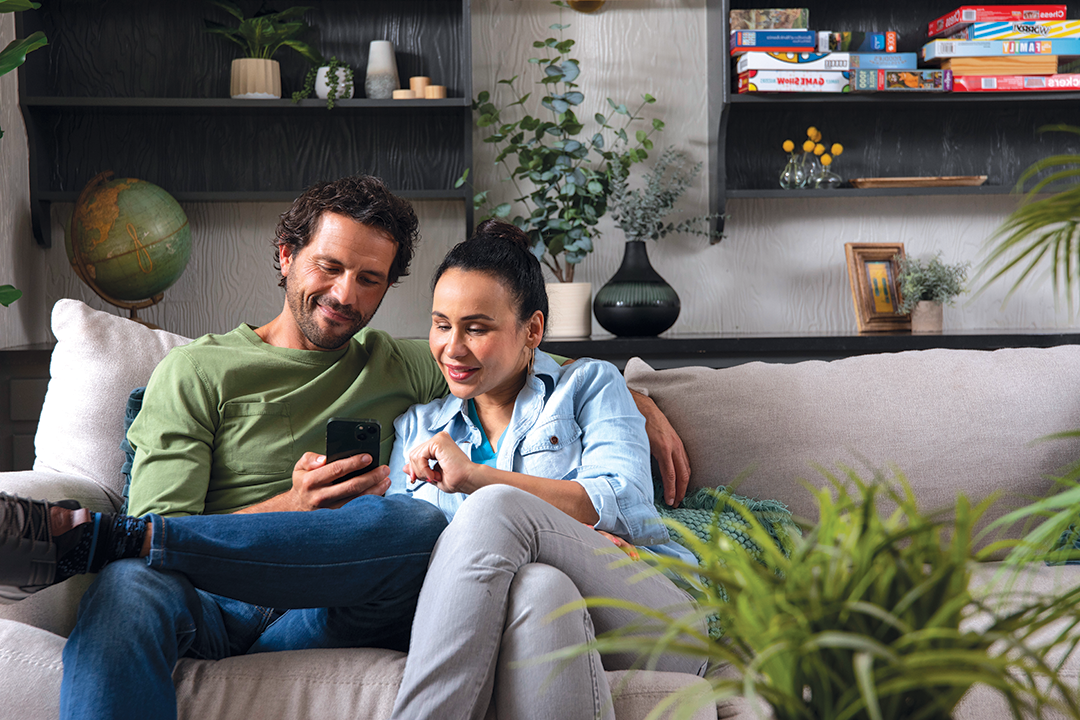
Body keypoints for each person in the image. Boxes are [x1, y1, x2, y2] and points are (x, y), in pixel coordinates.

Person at [0, 177, 691, 720]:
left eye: (370, 280)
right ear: (285, 256)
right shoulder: (197, 373)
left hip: (330, 605)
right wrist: (289, 507)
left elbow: (513, 354)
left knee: (417, 525)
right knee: (127, 583)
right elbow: (168, 523)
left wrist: (640, 397)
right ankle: (109, 543)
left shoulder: (400, 364)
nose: (343, 295)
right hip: (205, 599)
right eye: (328, 268)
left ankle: (99, 540)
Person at [386, 220, 706, 720]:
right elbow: (406, 562)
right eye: (442, 324)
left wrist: (474, 476)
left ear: (532, 330)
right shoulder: (417, 429)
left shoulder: (589, 387)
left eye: (477, 327)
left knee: (496, 505)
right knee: (539, 586)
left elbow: (622, 507)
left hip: (649, 613)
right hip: (534, 612)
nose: (453, 347)